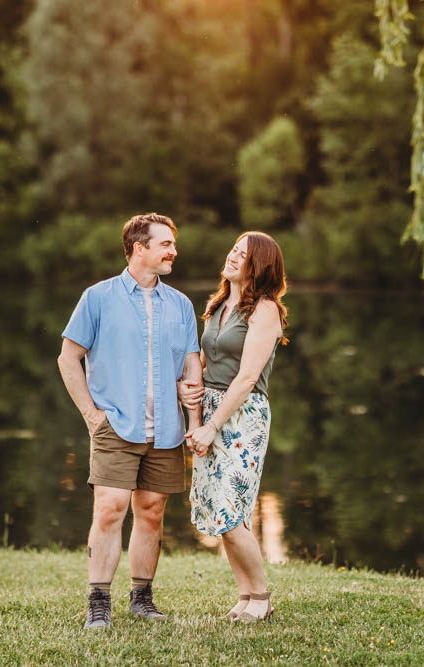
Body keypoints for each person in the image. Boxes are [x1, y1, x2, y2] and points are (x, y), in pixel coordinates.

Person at [58, 213, 203, 630]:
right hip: (115, 425)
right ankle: (98, 601)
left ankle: (142, 597)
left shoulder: (180, 304)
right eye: (165, 244)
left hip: (167, 430)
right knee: (109, 509)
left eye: (172, 244)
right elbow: (68, 359)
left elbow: (191, 364)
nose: (173, 251)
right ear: (139, 249)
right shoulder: (97, 297)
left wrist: (192, 417)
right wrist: (91, 414)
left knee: (152, 511)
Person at [181, 231, 288, 623]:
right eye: (232, 249)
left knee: (230, 510)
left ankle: (261, 597)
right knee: (219, 513)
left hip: (242, 415)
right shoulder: (219, 303)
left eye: (241, 254)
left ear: (257, 266)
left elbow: (245, 379)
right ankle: (245, 595)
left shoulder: (265, 310)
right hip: (210, 407)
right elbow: (205, 361)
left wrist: (212, 426)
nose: (231, 256)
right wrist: (188, 395)